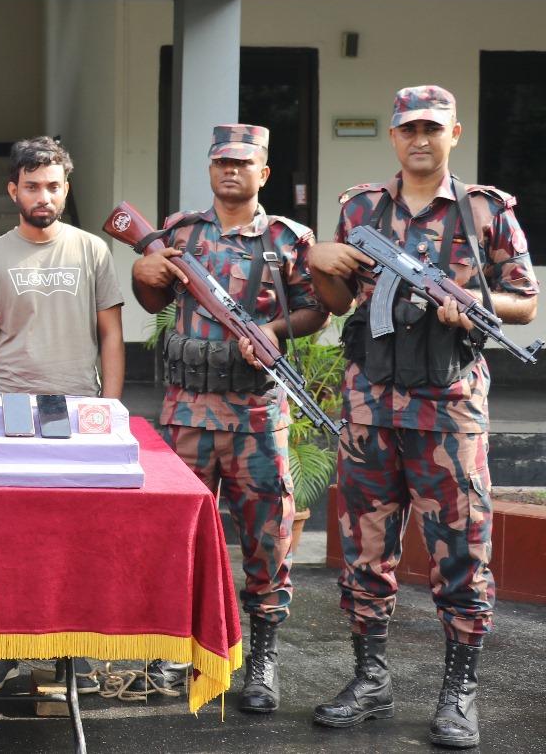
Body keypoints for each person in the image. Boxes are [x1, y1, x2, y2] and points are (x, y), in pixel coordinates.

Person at [307, 86, 538, 749]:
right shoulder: (360, 208)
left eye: (432, 129)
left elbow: (524, 301)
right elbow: (338, 301)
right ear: (393, 135)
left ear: (453, 134)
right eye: (409, 128)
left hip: (448, 411)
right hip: (369, 407)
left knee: (462, 554)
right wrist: (318, 261)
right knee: (364, 552)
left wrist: (470, 299)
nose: (420, 139)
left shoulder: (485, 211)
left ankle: (458, 694)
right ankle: (369, 680)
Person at [130, 124, 327, 713]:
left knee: (268, 541)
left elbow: (316, 309)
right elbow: (154, 300)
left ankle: (260, 660)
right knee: (179, 539)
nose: (231, 171)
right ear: (211, 169)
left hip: (256, 417)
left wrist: (273, 331)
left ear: (263, 173)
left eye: (243, 163)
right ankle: (175, 652)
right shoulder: (179, 232)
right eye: (222, 162)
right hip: (187, 414)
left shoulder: (287, 239)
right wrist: (144, 275)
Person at [0, 135, 125, 694]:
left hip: (77, 408)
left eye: (53, 186)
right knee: (7, 537)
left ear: (66, 188)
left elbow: (111, 335)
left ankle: (72, 650)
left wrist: (110, 407)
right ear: (14, 190)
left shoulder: (92, 251)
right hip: (10, 408)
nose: (43, 196)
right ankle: (3, 646)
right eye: (32, 186)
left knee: (76, 536)